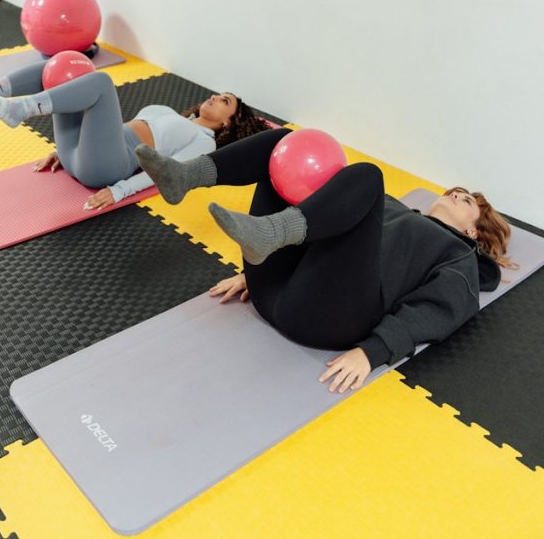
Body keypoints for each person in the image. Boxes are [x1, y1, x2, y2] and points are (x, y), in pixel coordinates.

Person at [135, 127, 515, 391]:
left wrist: (375, 351)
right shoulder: (389, 207)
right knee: (289, 145)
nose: (457, 195)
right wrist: (252, 275)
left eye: (468, 202)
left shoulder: (459, 255)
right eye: (457, 191)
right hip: (278, 289)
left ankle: (269, 233)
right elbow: (320, 229)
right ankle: (187, 175)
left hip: (326, 321)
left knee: (366, 175)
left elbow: (444, 308)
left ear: (473, 232)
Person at [0, 63, 269, 209]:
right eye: (219, 94)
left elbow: (170, 174)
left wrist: (120, 190)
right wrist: (70, 147)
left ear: (229, 124)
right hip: (80, 154)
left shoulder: (205, 142)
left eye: (225, 101)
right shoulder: (179, 115)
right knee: (66, 65)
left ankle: (16, 108)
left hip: (109, 168)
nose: (215, 97)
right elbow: (109, 125)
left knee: (101, 83)